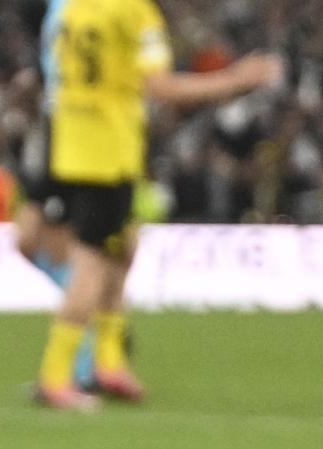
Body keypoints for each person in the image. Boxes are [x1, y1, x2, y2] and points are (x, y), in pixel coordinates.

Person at [29, 0, 283, 410]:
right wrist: (236, 80)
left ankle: (109, 362)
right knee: (93, 262)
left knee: (123, 248)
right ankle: (56, 375)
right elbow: (160, 87)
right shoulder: (133, 11)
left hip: (70, 143)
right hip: (107, 151)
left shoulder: (75, 9)